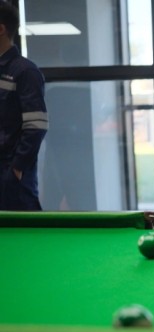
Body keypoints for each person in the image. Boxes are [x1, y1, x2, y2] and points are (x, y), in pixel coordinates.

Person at [0, 2, 48, 211]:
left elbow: (36, 126)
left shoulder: (25, 71)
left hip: (10, 177)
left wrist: (17, 168)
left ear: (1, 29)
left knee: (22, 230)